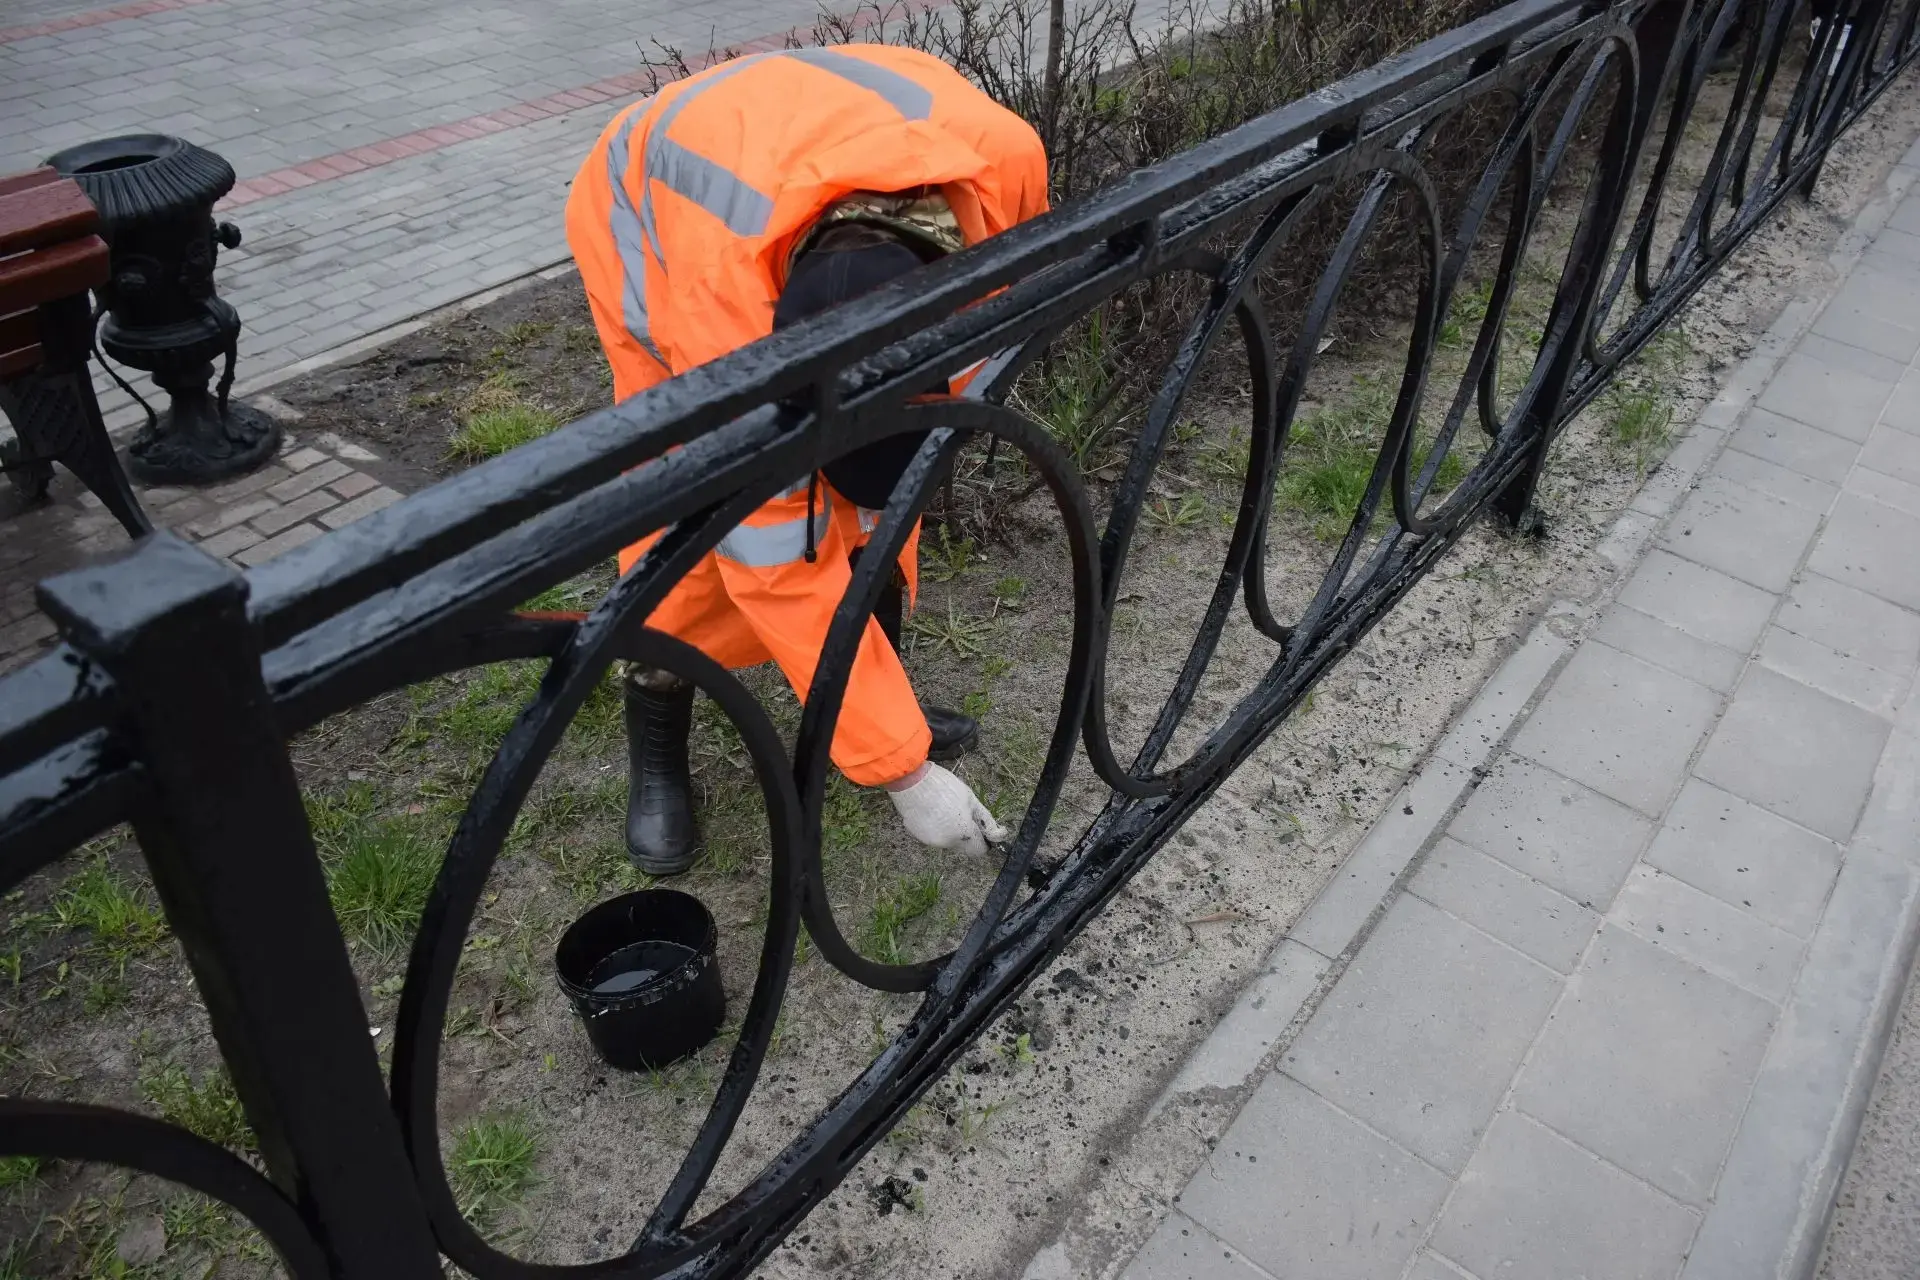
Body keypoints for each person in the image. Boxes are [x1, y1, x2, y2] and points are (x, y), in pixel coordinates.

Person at [565, 44, 1049, 875]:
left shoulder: (1000, 168)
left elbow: (1007, 307)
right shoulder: (723, 327)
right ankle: (657, 727)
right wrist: (906, 774)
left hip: (785, 137)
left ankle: (868, 699)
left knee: (876, 518)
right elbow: (773, 556)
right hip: (651, 215)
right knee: (682, 515)